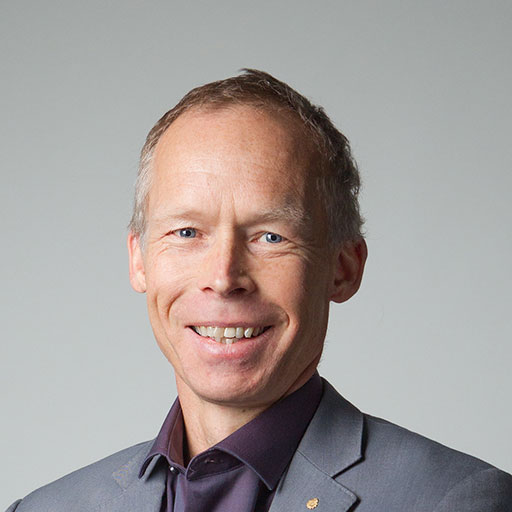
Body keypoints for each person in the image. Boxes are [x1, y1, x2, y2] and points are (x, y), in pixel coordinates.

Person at [7, 69, 512, 512]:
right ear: (139, 260)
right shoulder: (45, 508)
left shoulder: (456, 501)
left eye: (271, 237)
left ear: (343, 268)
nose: (224, 277)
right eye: (187, 232)